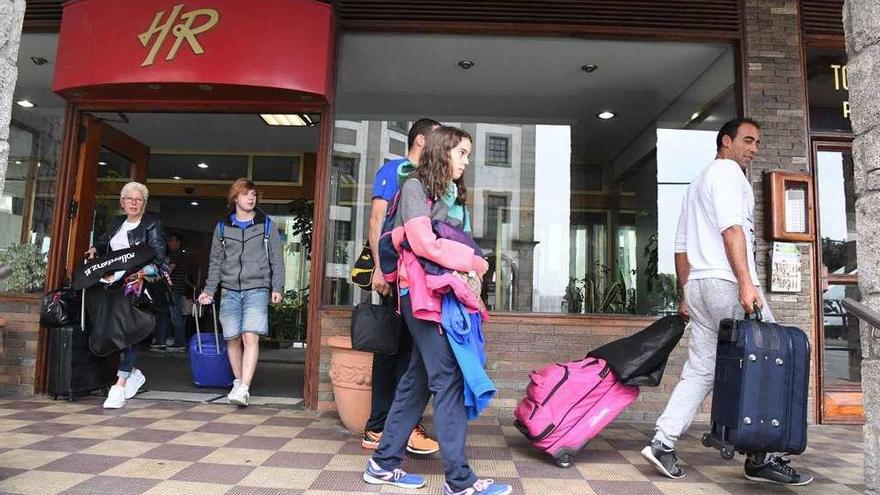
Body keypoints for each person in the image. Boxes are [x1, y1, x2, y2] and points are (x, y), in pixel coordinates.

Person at [640, 118, 813, 486]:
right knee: (773, 359)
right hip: (727, 282)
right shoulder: (727, 175)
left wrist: (686, 292)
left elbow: (681, 246)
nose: (754, 148)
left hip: (702, 287)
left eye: (758, 142)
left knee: (702, 368)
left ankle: (662, 441)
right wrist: (747, 283)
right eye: (748, 141)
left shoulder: (697, 183)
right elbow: (732, 229)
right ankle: (762, 456)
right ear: (726, 141)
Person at [363, 126, 511, 495]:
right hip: (422, 297)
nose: (466, 161)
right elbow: (423, 242)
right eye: (462, 153)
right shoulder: (414, 186)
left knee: (417, 380)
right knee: (449, 379)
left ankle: (383, 464)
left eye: (468, 155)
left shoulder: (437, 192)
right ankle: (460, 480)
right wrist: (474, 260)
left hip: (427, 295)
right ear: (443, 151)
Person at [363, 118, 441, 455]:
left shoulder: (432, 179)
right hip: (394, 276)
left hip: (419, 280)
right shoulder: (395, 170)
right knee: (390, 351)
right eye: (438, 138)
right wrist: (380, 270)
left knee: (410, 353)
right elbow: (377, 220)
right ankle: (379, 428)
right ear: (421, 140)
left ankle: (401, 424)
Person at [198, 179, 285, 407]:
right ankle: (238, 382)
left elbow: (277, 259)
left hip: (257, 288)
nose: (251, 198)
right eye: (246, 194)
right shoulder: (222, 227)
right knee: (233, 339)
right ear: (235, 198)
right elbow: (215, 262)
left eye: (254, 194)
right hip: (229, 290)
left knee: (250, 336)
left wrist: (277, 287)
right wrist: (209, 290)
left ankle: (244, 387)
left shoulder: (266, 225)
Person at [87, 181, 165, 409]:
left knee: (125, 330)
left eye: (138, 199)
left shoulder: (152, 224)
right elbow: (104, 245)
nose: (133, 202)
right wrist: (95, 249)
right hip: (111, 285)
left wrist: (136, 272)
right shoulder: (117, 223)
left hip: (134, 285)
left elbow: (158, 257)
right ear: (122, 202)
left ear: (144, 203)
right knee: (110, 331)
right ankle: (133, 373)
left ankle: (119, 385)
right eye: (129, 199)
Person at [164, 232, 189, 351]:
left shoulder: (177, 254)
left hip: (174, 289)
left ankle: (180, 343)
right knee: (174, 316)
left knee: (176, 316)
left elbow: (169, 270)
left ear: (178, 243)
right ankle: (176, 340)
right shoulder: (179, 255)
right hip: (176, 289)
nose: (169, 243)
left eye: (172, 241)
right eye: (169, 241)